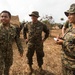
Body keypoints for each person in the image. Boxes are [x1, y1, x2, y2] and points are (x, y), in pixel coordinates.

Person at [0, 10, 23, 75]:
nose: (3, 18)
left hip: (9, 52)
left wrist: (20, 49)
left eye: (5, 17)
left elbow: (17, 40)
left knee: (7, 68)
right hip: (0, 52)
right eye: (2, 16)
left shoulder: (13, 28)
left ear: (9, 18)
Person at [56, 5, 75, 75]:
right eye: (68, 14)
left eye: (71, 14)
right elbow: (70, 40)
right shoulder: (70, 28)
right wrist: (61, 39)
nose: (68, 17)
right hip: (66, 63)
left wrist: (63, 42)